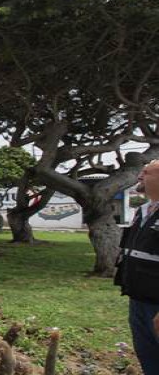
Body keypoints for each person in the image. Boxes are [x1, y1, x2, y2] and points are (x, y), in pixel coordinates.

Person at [115, 160, 159, 374]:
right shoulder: (143, 211)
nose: (140, 176)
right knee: (148, 357)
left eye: (146, 172)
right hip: (138, 299)